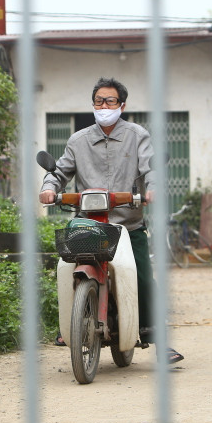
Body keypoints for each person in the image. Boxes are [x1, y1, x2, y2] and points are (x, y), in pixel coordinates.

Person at [40, 77, 184, 364]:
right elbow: (59, 171)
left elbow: (151, 167)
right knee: (66, 269)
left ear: (122, 105)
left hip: (127, 224)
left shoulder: (137, 135)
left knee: (143, 277)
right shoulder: (77, 140)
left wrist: (152, 188)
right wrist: (49, 188)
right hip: (90, 225)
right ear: (93, 104)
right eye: (99, 101)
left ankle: (158, 339)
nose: (104, 106)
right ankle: (68, 327)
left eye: (110, 101)